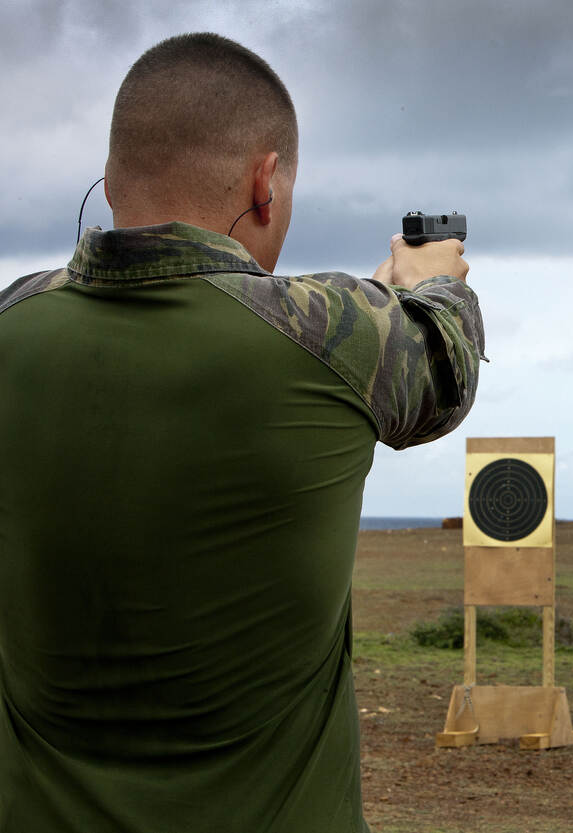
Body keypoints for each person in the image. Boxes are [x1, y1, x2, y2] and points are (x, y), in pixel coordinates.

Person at [0, 33, 483, 832]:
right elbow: (445, 365)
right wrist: (432, 282)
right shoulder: (341, 336)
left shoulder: (13, 322)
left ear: (111, 179)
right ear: (266, 183)